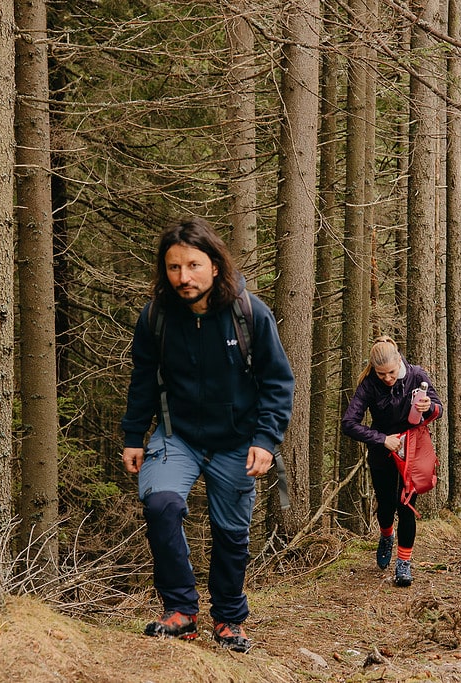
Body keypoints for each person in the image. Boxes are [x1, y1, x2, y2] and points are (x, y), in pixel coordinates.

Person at [120, 216, 295, 653]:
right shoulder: (156, 316)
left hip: (239, 440)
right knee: (161, 505)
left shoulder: (248, 313)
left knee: (231, 532)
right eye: (174, 267)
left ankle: (229, 619)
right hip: (176, 435)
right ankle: (181, 612)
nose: (184, 277)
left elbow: (277, 382)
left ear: (215, 265)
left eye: (193, 265)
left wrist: (265, 440)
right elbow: (143, 378)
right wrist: (133, 435)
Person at [341, 337, 443, 587]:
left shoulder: (417, 375)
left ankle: (404, 564)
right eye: (381, 374)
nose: (387, 378)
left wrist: (428, 406)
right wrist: (381, 439)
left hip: (413, 447)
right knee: (386, 506)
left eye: (391, 373)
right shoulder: (368, 384)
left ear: (399, 360)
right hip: (383, 448)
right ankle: (386, 535)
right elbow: (348, 424)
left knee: (406, 504)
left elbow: (439, 408)